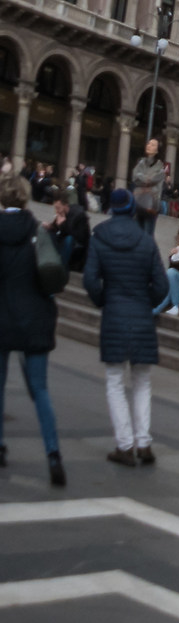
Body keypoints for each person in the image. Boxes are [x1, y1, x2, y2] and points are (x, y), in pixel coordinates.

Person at [84, 186, 169, 464]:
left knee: (115, 381)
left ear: (111, 208)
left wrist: (103, 300)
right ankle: (143, 443)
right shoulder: (146, 241)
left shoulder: (100, 236)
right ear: (132, 209)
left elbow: (89, 279)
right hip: (141, 317)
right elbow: (162, 285)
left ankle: (124, 444)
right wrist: (146, 301)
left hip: (114, 315)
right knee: (142, 381)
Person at [0, 175, 68, 486]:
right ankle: (53, 454)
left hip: (1, 318)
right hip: (34, 319)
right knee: (40, 390)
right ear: (26, 200)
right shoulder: (39, 232)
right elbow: (54, 272)